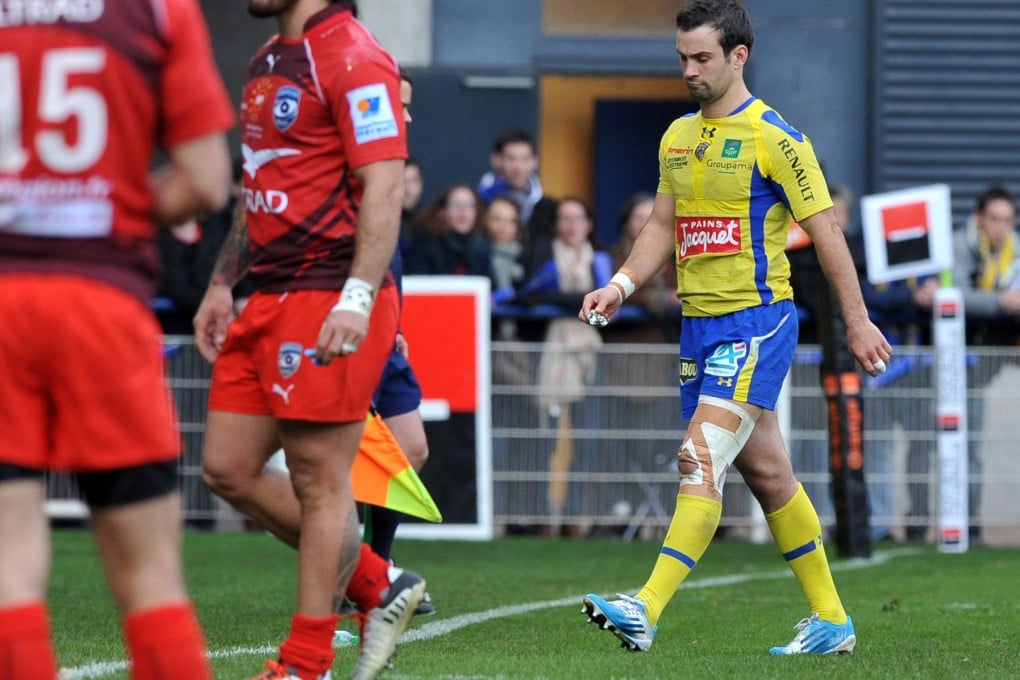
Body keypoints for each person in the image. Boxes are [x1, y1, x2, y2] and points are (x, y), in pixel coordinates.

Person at [578, 0, 890, 656]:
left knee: (699, 455)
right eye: (682, 58)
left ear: (737, 56)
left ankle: (646, 606)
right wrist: (620, 285)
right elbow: (662, 226)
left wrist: (857, 321)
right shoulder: (676, 136)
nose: (688, 70)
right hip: (698, 328)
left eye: (702, 58)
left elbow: (827, 231)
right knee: (770, 475)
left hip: (757, 324)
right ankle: (832, 619)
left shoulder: (776, 137)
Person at [0, 1, 234, 678]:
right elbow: (205, 180)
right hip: (103, 306)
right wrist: (112, 208)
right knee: (151, 580)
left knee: (9, 574)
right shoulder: (159, 10)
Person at [192, 2, 425, 679]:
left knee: (320, 481)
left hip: (328, 291)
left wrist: (358, 296)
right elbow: (258, 182)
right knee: (226, 468)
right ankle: (380, 584)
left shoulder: (355, 54)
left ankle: (306, 661)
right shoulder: (266, 58)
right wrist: (220, 282)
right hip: (265, 294)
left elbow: (383, 183)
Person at [519, 198, 613, 537]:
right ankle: (544, 516)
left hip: (590, 355)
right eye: (564, 219)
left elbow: (610, 300)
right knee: (546, 440)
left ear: (589, 224)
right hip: (552, 353)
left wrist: (560, 298)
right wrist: (582, 300)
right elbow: (530, 295)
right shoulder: (543, 254)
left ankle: (575, 516)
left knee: (587, 439)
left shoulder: (601, 258)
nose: (571, 225)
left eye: (578, 218)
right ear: (556, 224)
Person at [404, 183, 492, 277]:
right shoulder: (424, 246)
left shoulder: (482, 249)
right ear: (442, 212)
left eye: (469, 205)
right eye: (456, 204)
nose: (463, 211)